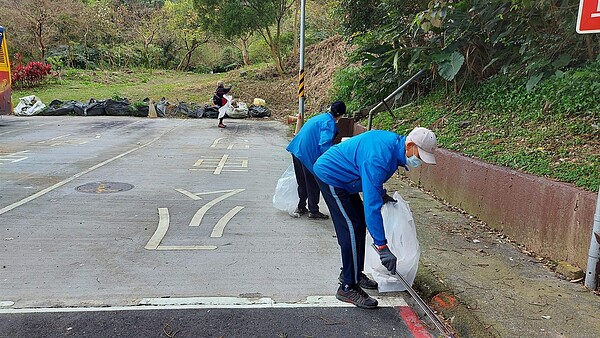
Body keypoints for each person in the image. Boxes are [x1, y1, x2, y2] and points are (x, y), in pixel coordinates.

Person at [313, 127, 438, 309]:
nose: (420, 161)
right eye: (420, 156)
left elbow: (372, 181)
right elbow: (371, 207)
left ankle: (352, 272)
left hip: (348, 179)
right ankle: (348, 287)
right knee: (350, 229)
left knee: (358, 225)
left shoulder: (393, 148)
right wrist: (382, 246)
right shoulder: (380, 157)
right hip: (332, 175)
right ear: (410, 145)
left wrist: (381, 194)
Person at [285, 101, 347, 220]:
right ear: (341, 115)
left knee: (302, 181)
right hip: (308, 154)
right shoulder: (329, 123)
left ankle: (301, 206)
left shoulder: (320, 117)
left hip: (297, 150)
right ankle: (313, 210)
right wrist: (331, 161)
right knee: (313, 181)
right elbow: (324, 144)